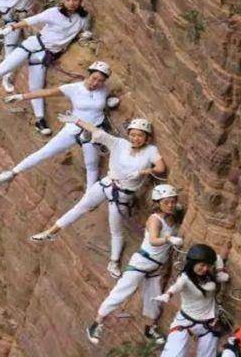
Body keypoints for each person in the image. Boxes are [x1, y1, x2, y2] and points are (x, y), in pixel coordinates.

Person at [29, 117, 168, 277]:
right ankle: (51, 232)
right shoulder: (120, 143)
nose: (135, 138)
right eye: (133, 134)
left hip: (123, 194)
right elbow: (96, 131)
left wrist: (143, 172)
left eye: (140, 135)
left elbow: (161, 168)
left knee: (115, 230)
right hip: (107, 183)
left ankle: (114, 262)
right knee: (80, 207)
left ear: (146, 138)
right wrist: (76, 120)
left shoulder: (150, 151)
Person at [0, 0, 91, 130]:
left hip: (46, 55)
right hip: (33, 44)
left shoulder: (83, 18)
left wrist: (84, 35)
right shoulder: (54, 12)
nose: (72, 3)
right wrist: (11, 27)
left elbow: (82, 32)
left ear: (81, 0)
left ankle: (40, 120)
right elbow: (31, 20)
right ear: (63, 0)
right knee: (4, 68)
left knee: (36, 87)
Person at [83, 184, 183, 346]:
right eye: (166, 202)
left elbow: (177, 210)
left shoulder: (170, 216)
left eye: (173, 201)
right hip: (142, 263)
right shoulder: (155, 220)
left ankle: (150, 329)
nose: (171, 205)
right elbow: (153, 240)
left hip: (156, 267)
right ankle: (95, 325)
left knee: (154, 298)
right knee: (122, 291)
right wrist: (168, 239)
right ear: (158, 203)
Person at [0, 61, 113, 185]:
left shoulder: (104, 90)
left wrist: (110, 101)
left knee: (92, 164)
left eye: (100, 81)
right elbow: (48, 93)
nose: (95, 83)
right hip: (73, 128)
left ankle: (89, 193)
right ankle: (13, 172)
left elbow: (103, 101)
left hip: (93, 130)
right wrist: (22, 96)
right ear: (89, 74)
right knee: (46, 151)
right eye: (94, 78)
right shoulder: (73, 88)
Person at [154, 244, 232, 357]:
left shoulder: (208, 275)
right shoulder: (185, 278)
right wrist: (168, 294)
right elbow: (176, 286)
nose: (205, 268)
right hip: (185, 323)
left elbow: (217, 258)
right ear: (192, 263)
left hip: (209, 325)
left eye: (208, 265)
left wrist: (219, 271)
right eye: (202, 265)